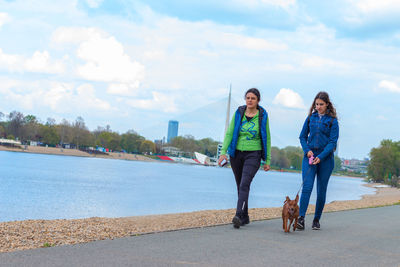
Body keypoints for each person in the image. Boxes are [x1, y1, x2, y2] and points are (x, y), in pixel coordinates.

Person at [218, 88, 271, 229]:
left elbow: (268, 137)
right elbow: (229, 133)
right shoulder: (239, 112)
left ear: (258, 100)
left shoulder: (262, 115)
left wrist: (268, 160)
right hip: (236, 153)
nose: (250, 100)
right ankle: (245, 216)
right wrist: (223, 151)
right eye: (247, 97)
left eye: (253, 98)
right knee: (240, 185)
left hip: (254, 153)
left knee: (244, 184)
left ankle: (238, 215)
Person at [297, 91, 339, 230]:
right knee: (307, 187)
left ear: (327, 104)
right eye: (316, 104)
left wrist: (321, 157)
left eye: (321, 104)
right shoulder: (310, 118)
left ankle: (316, 219)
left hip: (325, 160)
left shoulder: (333, 121)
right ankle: (301, 218)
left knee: (321, 191)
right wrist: (307, 150)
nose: (318, 107)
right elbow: (302, 137)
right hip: (309, 157)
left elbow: (333, 143)